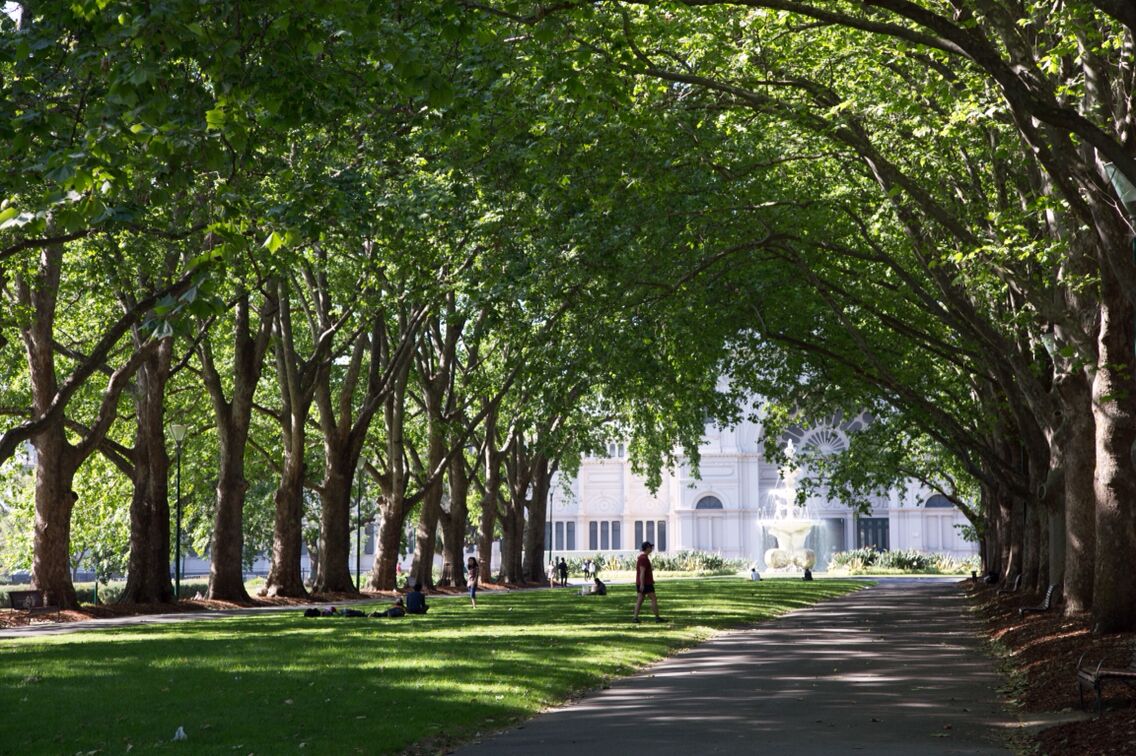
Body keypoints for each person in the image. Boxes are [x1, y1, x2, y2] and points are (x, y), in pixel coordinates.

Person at [633, 541, 665, 623]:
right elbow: (642, 572)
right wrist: (642, 584)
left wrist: (651, 579)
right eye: (650, 547)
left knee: (640, 599)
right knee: (653, 598)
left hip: (643, 583)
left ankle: (635, 618)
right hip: (645, 584)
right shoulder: (643, 559)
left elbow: (645, 572)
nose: (651, 548)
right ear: (647, 548)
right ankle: (657, 618)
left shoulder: (643, 557)